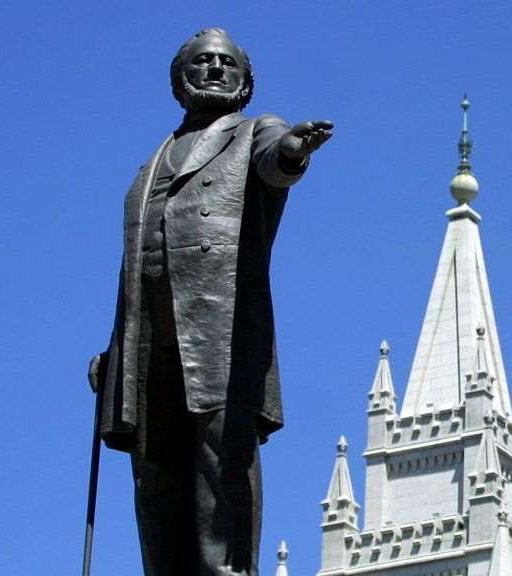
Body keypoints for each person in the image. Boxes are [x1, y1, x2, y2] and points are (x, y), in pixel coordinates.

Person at [89, 27, 332, 576]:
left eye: (228, 63)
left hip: (220, 336)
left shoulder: (253, 133)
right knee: (158, 479)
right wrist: (114, 353)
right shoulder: (150, 163)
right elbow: (138, 271)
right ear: (180, 81)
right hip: (149, 347)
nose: (215, 69)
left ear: (245, 83)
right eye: (202, 62)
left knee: (223, 472)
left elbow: (276, 160)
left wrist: (294, 152)